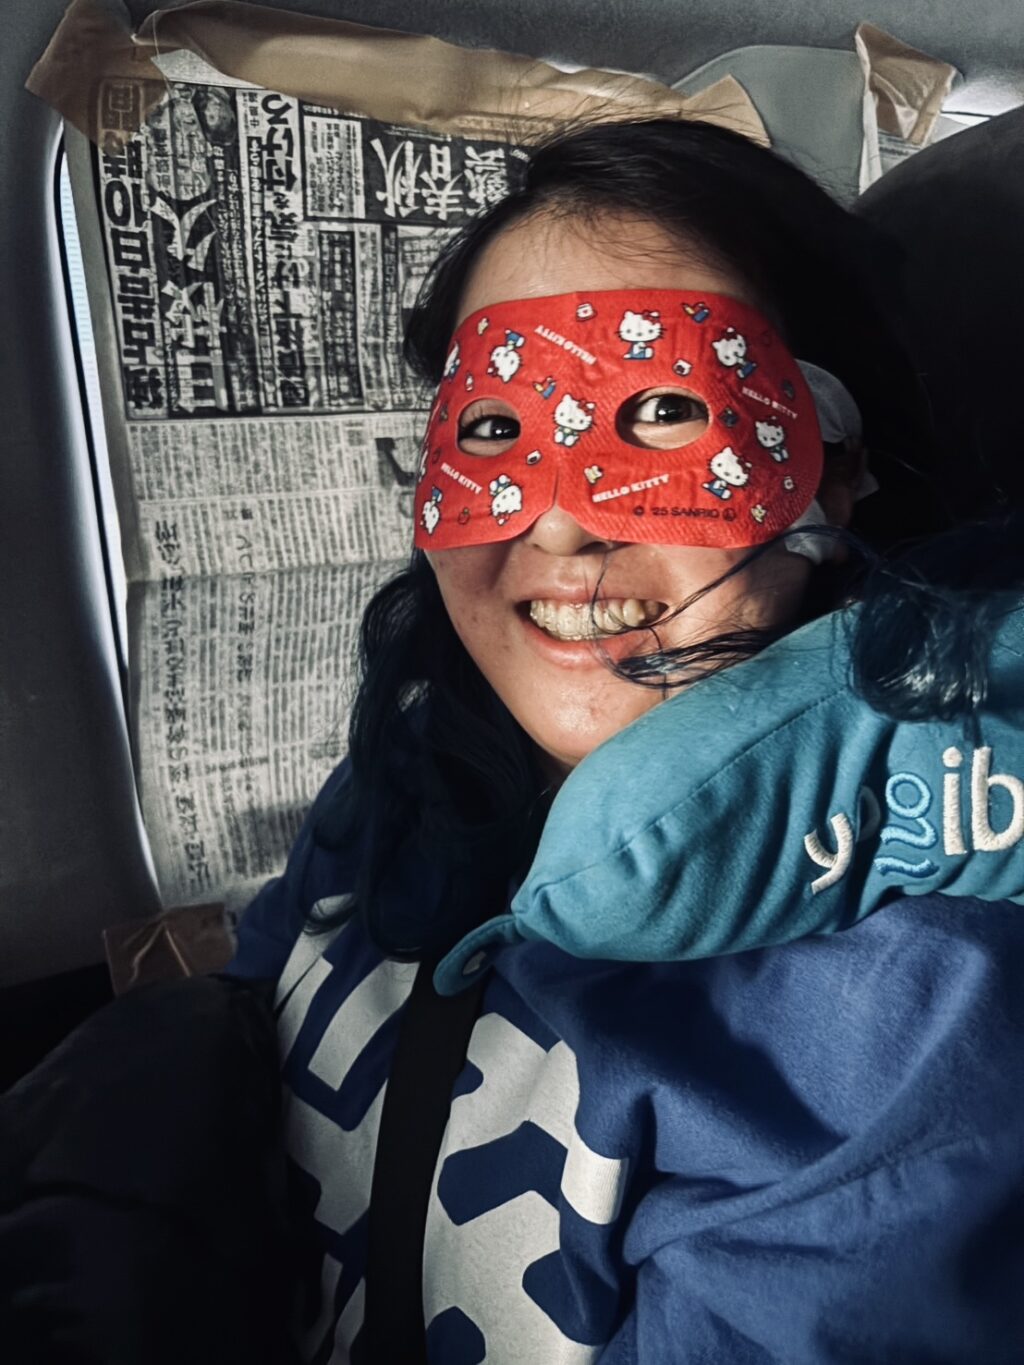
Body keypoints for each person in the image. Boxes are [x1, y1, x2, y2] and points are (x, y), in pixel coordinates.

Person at [228, 118, 1024, 1363]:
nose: (559, 529)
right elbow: (231, 1054)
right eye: (494, 428)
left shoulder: (903, 1018)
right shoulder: (399, 780)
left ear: (840, 463)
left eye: (660, 410)